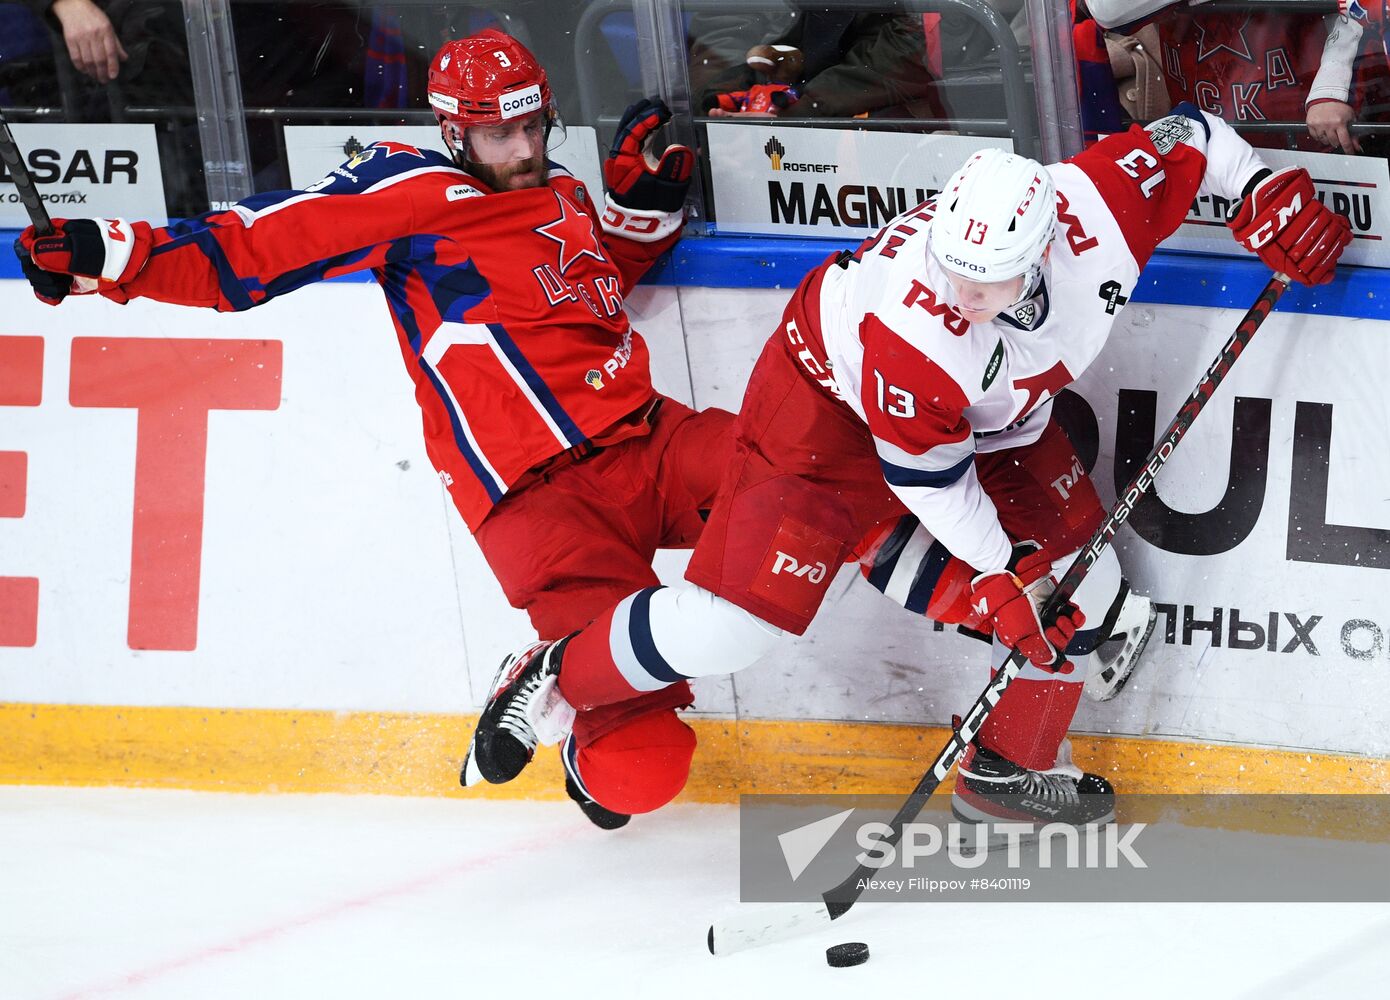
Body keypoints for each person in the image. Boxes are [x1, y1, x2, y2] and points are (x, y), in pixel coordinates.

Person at [469, 104, 1351, 835]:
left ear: (1046, 250)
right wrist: (1005, 572)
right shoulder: (918, 334)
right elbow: (931, 484)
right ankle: (557, 668)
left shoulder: (1101, 206)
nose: (962, 295)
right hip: (821, 417)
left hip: (993, 418)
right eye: (953, 272)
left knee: (1081, 591)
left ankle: (1005, 767)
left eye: (987, 281)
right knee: (738, 629)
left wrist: (1266, 191)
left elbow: (1195, 135)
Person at [11, 28, 734, 832]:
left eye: (536, 127)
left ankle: (567, 666)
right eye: (501, 133)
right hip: (539, 506)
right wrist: (110, 255)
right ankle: (564, 698)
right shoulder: (410, 189)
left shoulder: (557, 191)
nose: (525, 148)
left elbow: (579, 292)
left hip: (651, 444)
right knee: (643, 769)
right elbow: (253, 249)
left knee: (807, 471)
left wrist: (638, 218)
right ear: (453, 131)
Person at [1087, 0, 1390, 153]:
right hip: (1211, 147)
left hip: (1312, 138)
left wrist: (1333, 86)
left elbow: (1363, 10)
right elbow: (1109, 9)